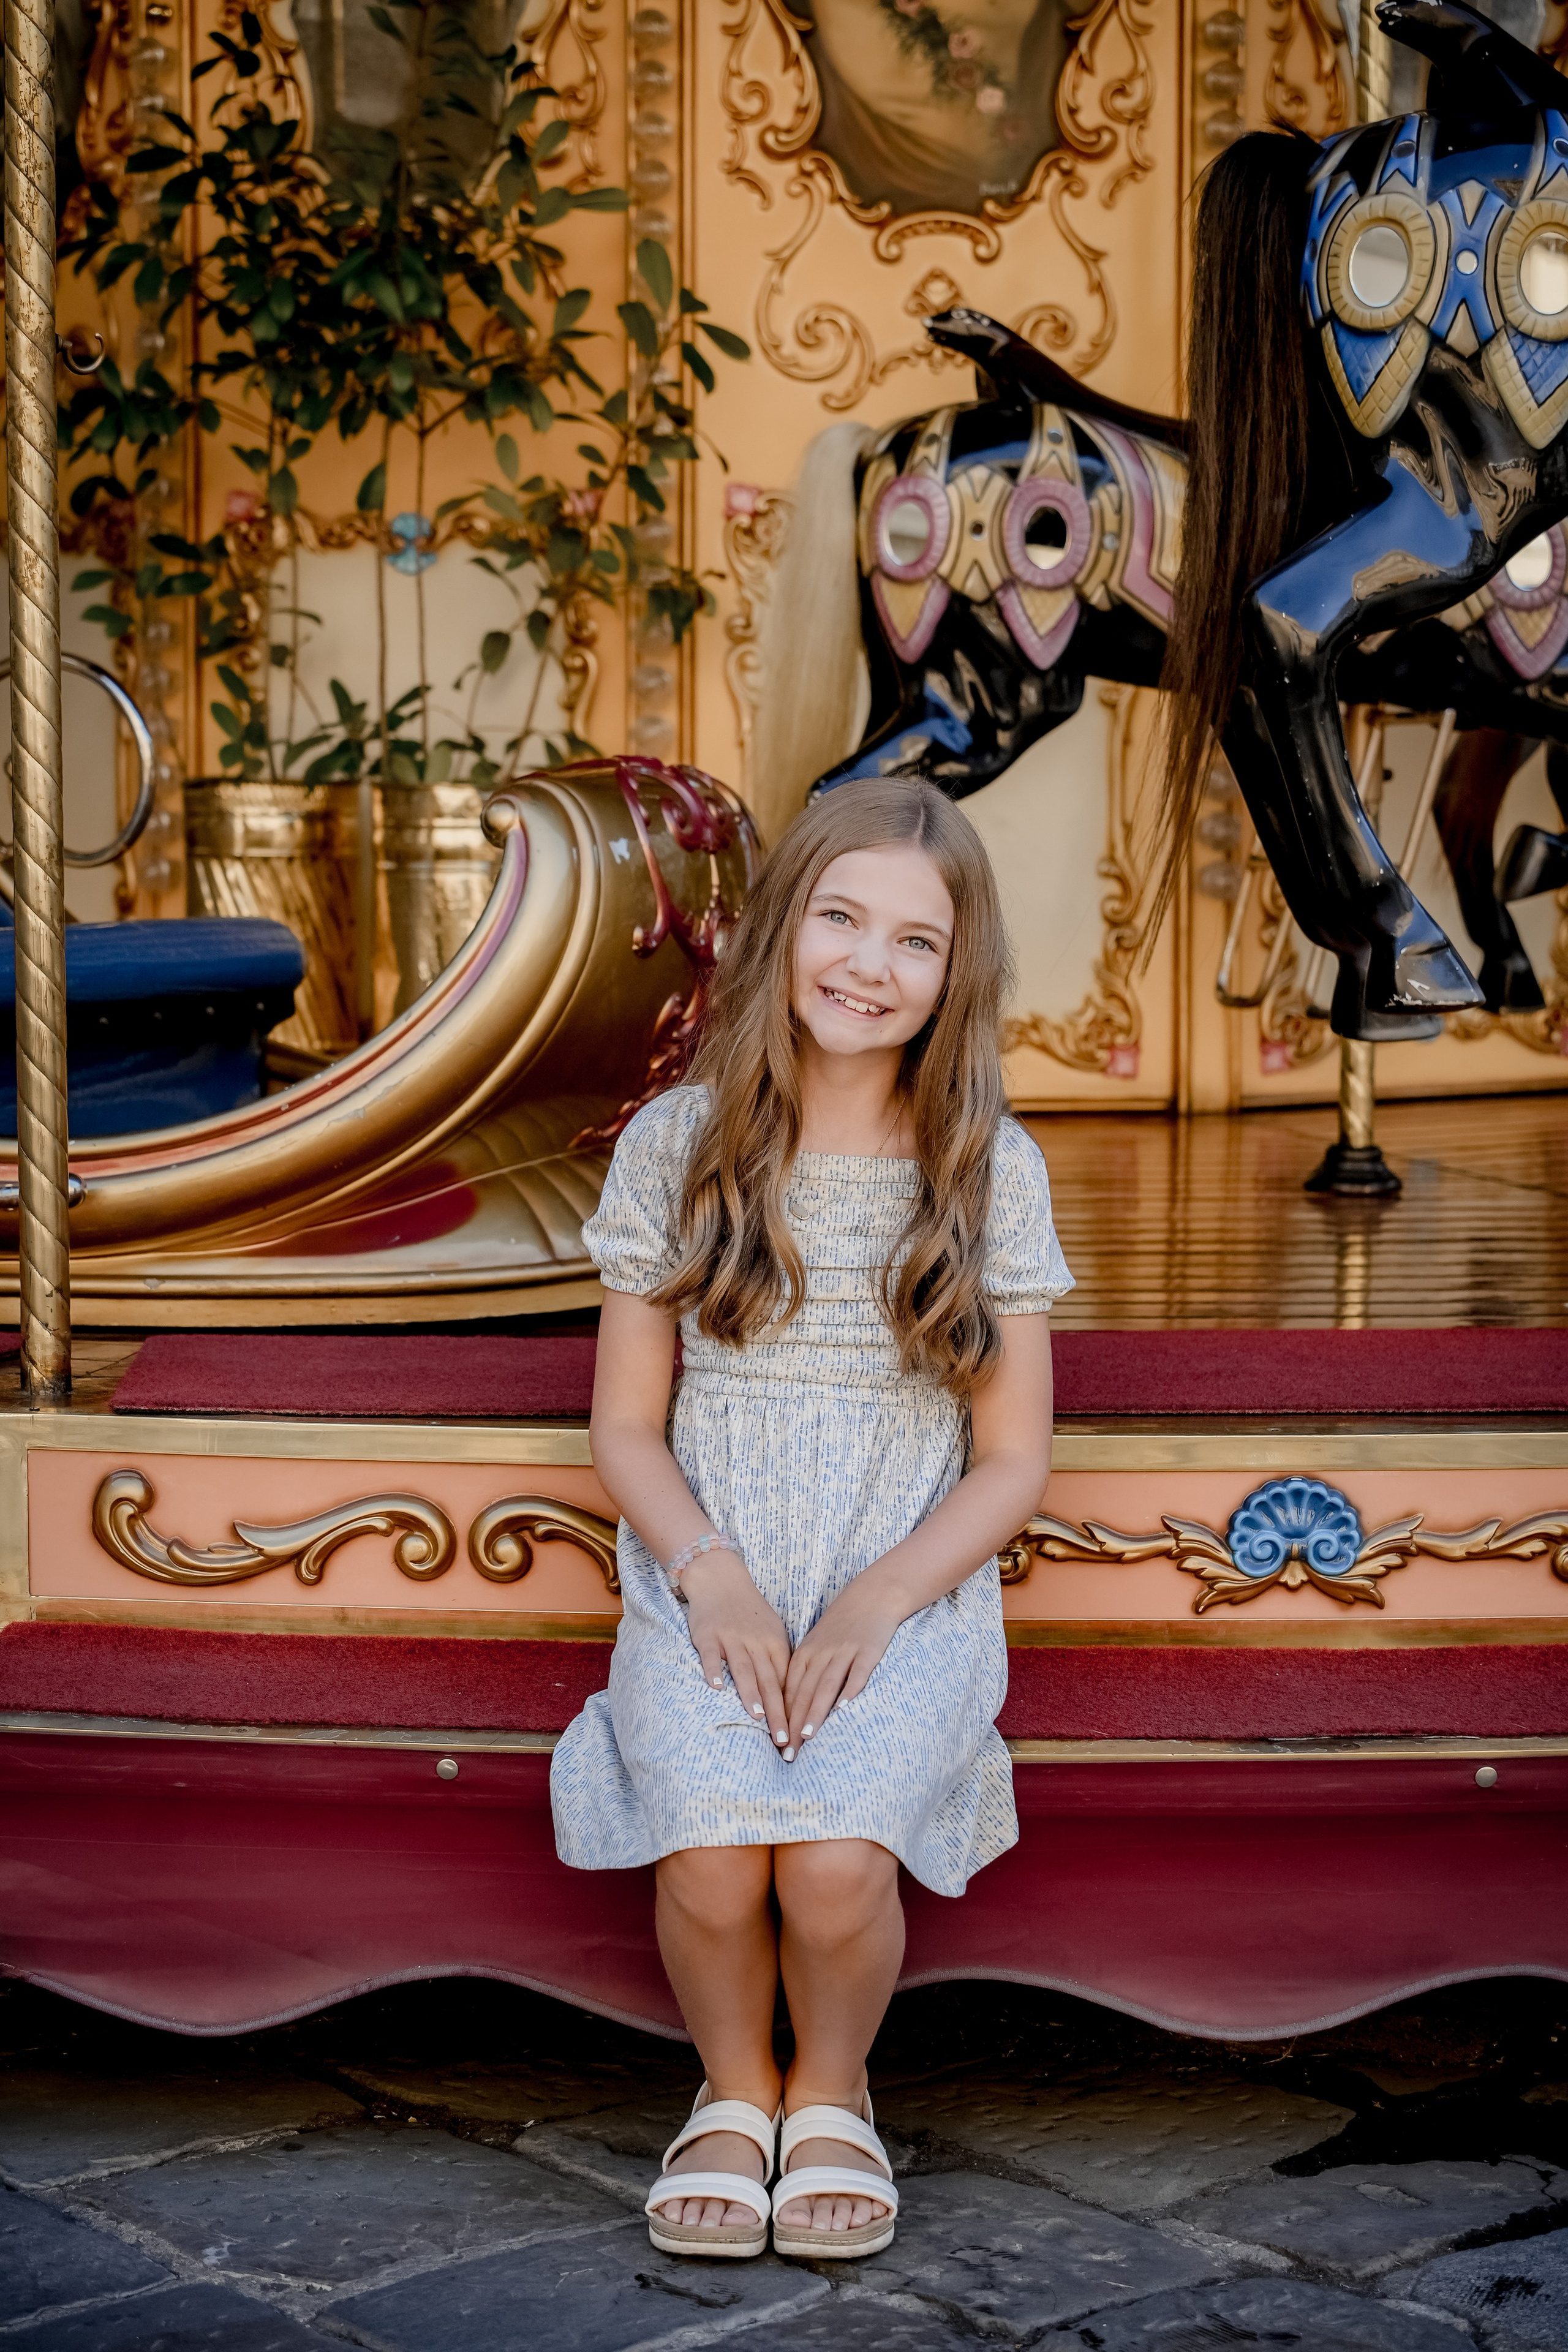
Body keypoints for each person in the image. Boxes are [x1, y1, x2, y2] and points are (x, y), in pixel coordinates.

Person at [551, 776, 1071, 2261]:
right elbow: (623, 1425)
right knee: (714, 1853)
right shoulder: (678, 1142)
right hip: (708, 1569)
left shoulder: (983, 1165)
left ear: (955, 975)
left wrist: (878, 1598)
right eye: (839, 919)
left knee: (836, 1861)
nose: (867, 964)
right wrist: (708, 1576)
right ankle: (734, 2090)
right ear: (778, 928)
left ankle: (831, 2091)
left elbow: (1011, 1460)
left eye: (915, 941)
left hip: (898, 1583)